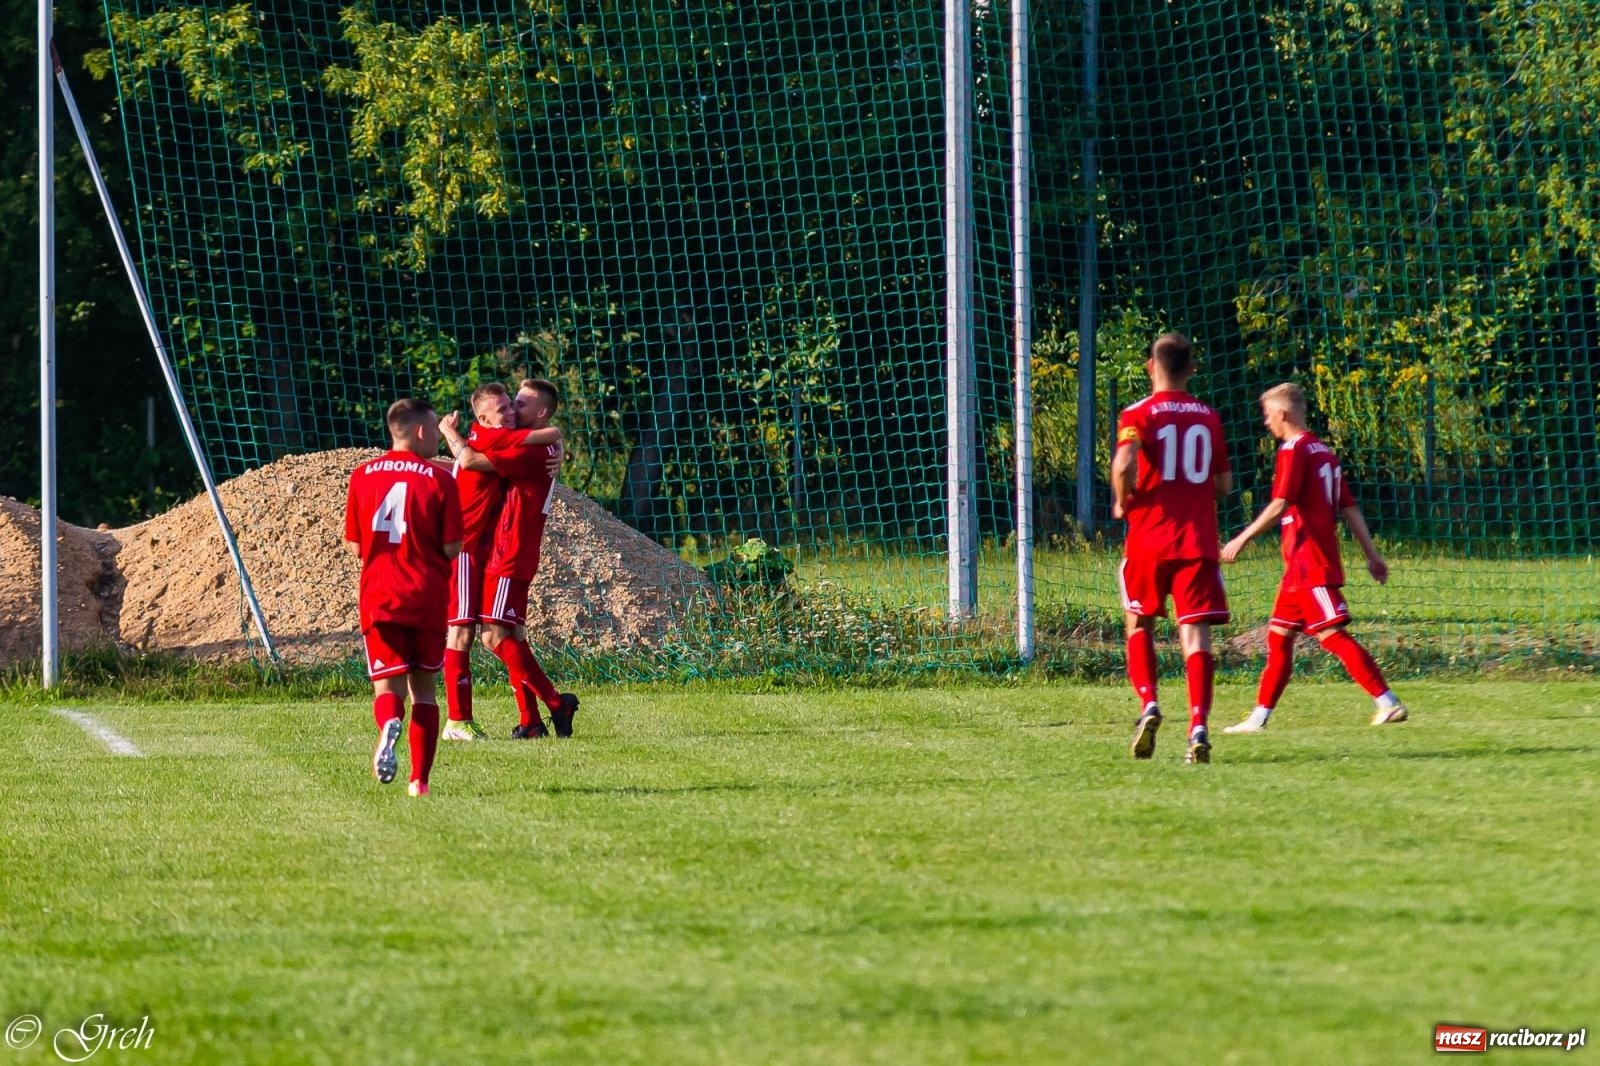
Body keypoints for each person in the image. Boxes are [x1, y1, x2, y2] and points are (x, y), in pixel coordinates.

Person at [1219, 383, 1409, 731]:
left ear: (1282, 413)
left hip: (1310, 563)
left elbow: (1280, 504)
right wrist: (1372, 555)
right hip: (1298, 569)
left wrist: (1241, 539)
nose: (1265, 424)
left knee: (1332, 635)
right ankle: (1258, 717)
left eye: (1266, 416)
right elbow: (1349, 508)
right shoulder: (1325, 452)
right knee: (1278, 638)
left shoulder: (1294, 450)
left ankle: (1388, 701)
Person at [1111, 333, 1232, 764]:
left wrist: (1122, 499)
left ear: (1150, 366)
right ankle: (1198, 726)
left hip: (1148, 539)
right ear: (1192, 369)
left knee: (1139, 622)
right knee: (1195, 634)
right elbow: (1222, 485)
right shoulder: (1209, 417)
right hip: (1197, 542)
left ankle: (1148, 703)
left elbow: (1124, 463)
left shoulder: (1137, 413)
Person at [441, 378, 579, 739]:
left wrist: (447, 432)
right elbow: (471, 458)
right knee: (506, 634)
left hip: (506, 550)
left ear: (542, 412)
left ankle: (548, 705)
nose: (513, 410)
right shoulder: (510, 437)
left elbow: (469, 458)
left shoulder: (526, 446)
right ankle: (530, 721)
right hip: (483, 548)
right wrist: (559, 444)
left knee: (490, 635)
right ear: (485, 418)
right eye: (506, 405)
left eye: (518, 404)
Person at [344, 398, 462, 797]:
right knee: (424, 691)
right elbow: (451, 548)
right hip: (427, 597)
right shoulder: (440, 479)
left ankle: (388, 725)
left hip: (379, 596)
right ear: (423, 431)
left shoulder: (362, 475)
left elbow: (358, 548)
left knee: (387, 689)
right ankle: (419, 782)